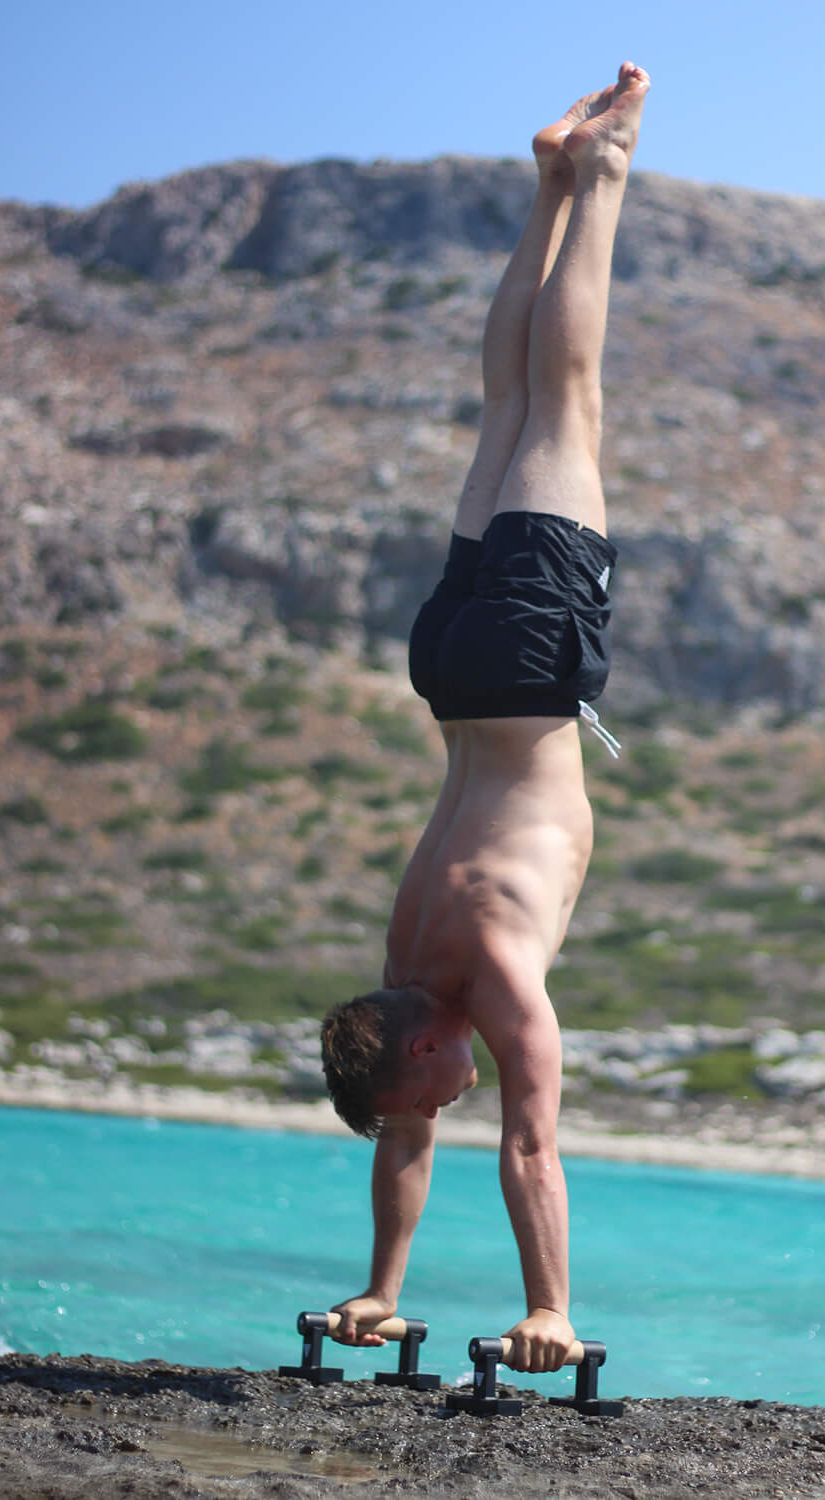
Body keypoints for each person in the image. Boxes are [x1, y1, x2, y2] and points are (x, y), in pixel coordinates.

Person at [314, 63, 649, 1376]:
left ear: (428, 1036)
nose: (440, 1109)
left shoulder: (493, 976)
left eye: (428, 1087)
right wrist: (380, 1293)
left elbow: (530, 1145)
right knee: (506, 406)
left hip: (519, 670)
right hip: (451, 671)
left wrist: (551, 1309)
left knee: (563, 403)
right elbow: (409, 1130)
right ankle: (550, 181)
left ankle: (602, 180)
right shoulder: (404, 967)